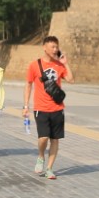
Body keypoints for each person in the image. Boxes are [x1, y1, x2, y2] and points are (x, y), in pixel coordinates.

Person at [22, 36, 71, 180]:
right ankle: (41, 156)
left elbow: (71, 79)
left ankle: (49, 169)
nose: (55, 50)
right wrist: (26, 105)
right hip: (41, 108)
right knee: (43, 138)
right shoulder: (34, 65)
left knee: (55, 139)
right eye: (52, 47)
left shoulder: (59, 65)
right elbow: (28, 85)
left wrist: (65, 64)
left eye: (56, 47)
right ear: (44, 47)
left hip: (57, 108)